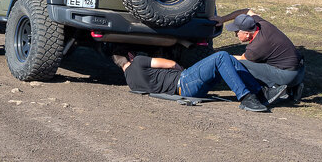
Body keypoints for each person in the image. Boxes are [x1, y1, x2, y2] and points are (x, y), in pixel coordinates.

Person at [112, 49, 269, 112]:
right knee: (221, 56)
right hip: (184, 81)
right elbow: (171, 64)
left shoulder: (130, 81)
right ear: (130, 56)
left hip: (187, 92)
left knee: (226, 59)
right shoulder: (138, 61)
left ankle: (256, 93)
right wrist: (184, 72)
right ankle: (247, 96)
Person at [221, 10, 304, 104]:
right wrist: (222, 19)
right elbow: (247, 11)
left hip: (288, 76)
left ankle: (272, 90)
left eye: (237, 32)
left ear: (247, 33)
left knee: (238, 65)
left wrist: (221, 57)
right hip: (299, 70)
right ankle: (294, 88)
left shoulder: (256, 47)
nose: (235, 35)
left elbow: (239, 60)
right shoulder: (260, 23)